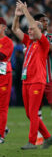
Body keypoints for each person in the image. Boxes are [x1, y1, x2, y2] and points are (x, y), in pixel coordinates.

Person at [12, 0, 52, 150]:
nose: (29, 31)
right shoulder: (29, 42)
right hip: (26, 80)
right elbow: (14, 29)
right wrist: (17, 16)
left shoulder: (44, 43)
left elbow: (34, 25)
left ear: (39, 31)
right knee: (29, 114)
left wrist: (26, 11)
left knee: (33, 112)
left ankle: (32, 142)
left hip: (37, 80)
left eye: (31, 29)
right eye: (28, 29)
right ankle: (48, 137)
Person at [33, 13, 52, 145]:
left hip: (49, 78)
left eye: (46, 21)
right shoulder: (30, 38)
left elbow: (50, 48)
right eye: (42, 21)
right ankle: (39, 136)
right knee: (35, 109)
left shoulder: (50, 37)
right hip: (35, 78)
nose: (45, 23)